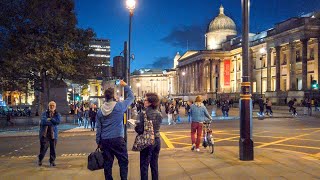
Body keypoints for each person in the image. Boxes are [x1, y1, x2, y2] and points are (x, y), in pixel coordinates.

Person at [96, 80, 134, 180]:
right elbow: (131, 97)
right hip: (118, 139)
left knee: (108, 163)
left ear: (105, 97)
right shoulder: (119, 106)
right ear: (113, 96)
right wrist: (125, 86)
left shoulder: (100, 110)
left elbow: (98, 128)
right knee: (123, 162)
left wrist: (98, 142)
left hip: (105, 140)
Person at [135, 93, 163, 180]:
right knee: (154, 165)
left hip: (146, 141)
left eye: (146, 100)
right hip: (157, 140)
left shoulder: (143, 114)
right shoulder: (159, 114)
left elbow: (139, 130)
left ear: (150, 102)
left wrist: (135, 126)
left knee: (144, 165)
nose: (144, 101)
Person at [38, 101, 61, 167]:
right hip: (45, 134)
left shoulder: (57, 114)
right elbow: (43, 122)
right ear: (48, 106)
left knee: (53, 149)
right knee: (43, 149)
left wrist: (50, 119)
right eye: (50, 105)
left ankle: (52, 161)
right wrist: (52, 121)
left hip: (53, 134)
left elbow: (58, 122)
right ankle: (40, 159)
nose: (51, 107)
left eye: (53, 105)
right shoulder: (44, 113)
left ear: (55, 107)